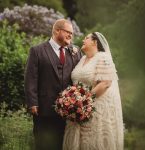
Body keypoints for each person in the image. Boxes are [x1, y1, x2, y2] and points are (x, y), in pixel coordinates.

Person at [24, 19, 82, 150]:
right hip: (44, 109)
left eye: (72, 34)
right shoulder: (37, 51)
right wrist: (32, 102)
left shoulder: (75, 52)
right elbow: (30, 78)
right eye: (68, 32)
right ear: (57, 31)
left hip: (68, 111)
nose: (70, 36)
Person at [63, 32, 124, 150]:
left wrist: (84, 100)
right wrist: (73, 101)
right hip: (77, 109)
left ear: (95, 42)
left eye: (86, 38)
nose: (83, 40)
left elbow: (106, 82)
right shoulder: (82, 59)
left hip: (95, 108)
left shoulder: (103, 57)